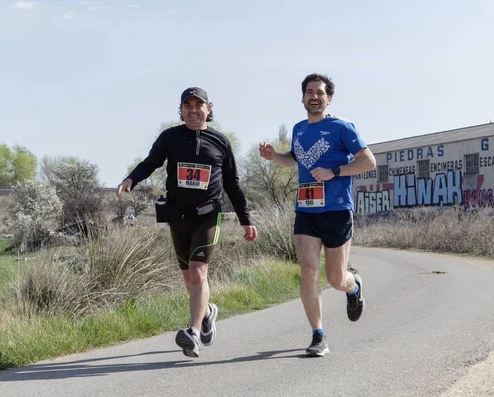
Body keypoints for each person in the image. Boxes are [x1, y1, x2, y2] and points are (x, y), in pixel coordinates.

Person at [117, 87, 258, 357]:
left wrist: (245, 219)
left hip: (208, 215)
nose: (193, 109)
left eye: (199, 104)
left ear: (209, 108)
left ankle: (192, 332)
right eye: (187, 105)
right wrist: (130, 179)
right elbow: (151, 162)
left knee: (198, 273)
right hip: (177, 216)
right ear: (180, 110)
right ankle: (207, 313)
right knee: (189, 279)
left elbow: (232, 183)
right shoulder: (170, 137)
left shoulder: (220, 142)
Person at [259, 73, 376, 357]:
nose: (314, 96)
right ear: (302, 98)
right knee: (309, 271)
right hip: (306, 210)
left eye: (319, 92)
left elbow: (367, 162)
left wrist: (334, 171)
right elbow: (295, 161)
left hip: (336, 210)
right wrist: (274, 157)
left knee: (336, 278)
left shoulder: (341, 127)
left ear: (329, 98)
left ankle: (353, 285)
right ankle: (318, 335)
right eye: (309, 92)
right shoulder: (299, 129)